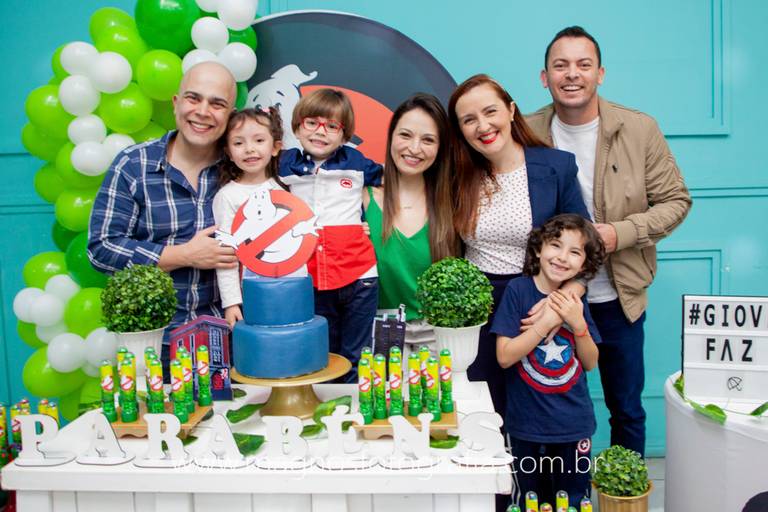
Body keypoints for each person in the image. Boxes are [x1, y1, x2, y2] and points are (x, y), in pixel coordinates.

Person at [527, 26, 692, 456]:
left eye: (583, 65)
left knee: (627, 409)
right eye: (560, 65)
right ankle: (564, 488)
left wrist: (620, 233)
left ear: (600, 73)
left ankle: (625, 490)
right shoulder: (525, 132)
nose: (572, 74)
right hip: (551, 297)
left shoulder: (639, 129)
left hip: (620, 297)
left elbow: (676, 201)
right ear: (544, 77)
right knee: (551, 409)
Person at [448, 74, 590, 425]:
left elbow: (587, 245)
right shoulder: (456, 175)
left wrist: (562, 301)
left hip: (539, 301)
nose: (483, 126)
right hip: (479, 309)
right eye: (469, 119)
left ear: (511, 110)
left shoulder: (556, 166)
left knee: (542, 413)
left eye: (490, 111)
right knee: (484, 414)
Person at [88, 61, 239, 368]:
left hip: (231, 340)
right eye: (193, 98)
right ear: (176, 103)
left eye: (217, 104)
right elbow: (101, 249)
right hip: (155, 345)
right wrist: (183, 255)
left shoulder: (243, 167)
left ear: (230, 115)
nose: (202, 111)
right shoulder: (134, 165)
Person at [493, 214, 604, 508]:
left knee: (574, 500)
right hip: (526, 427)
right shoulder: (518, 291)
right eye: (556, 245)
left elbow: (590, 362)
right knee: (527, 500)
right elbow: (504, 356)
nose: (562, 257)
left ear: (584, 265)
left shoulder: (575, 301)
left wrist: (577, 324)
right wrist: (544, 324)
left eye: (575, 252)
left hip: (573, 426)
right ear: (539, 248)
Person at [279, 88, 383, 381]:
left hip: (359, 275)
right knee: (322, 353)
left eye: (332, 126)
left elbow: (395, 181)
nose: (320, 131)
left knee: (356, 355)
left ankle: (354, 405)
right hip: (310, 275)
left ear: (344, 134)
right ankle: (328, 406)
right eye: (312, 122)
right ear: (297, 128)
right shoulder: (284, 165)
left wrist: (367, 219)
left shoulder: (357, 163)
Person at [363, 93, 458, 351]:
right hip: (379, 331)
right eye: (405, 135)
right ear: (391, 137)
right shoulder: (362, 199)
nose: (414, 149)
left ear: (440, 148)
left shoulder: (452, 203)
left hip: (440, 333)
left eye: (428, 140)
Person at [212, 107, 288, 328]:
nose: (249, 149)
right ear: (228, 151)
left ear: (275, 147)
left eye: (259, 140)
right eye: (238, 143)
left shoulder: (285, 190)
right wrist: (232, 303)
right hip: (251, 293)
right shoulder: (228, 196)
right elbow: (226, 253)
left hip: (287, 289)